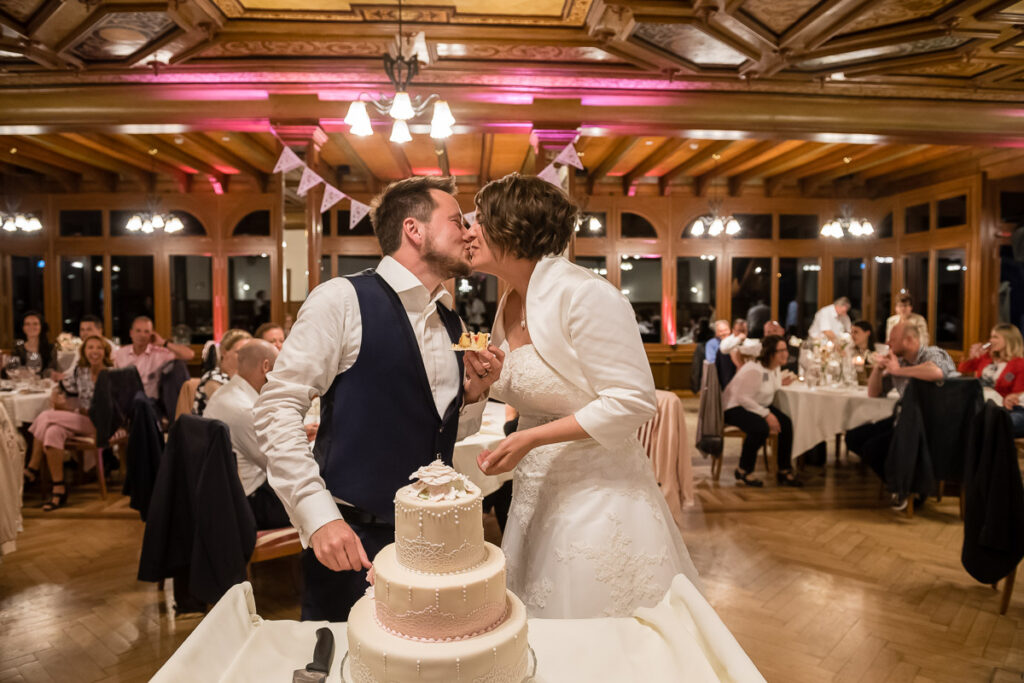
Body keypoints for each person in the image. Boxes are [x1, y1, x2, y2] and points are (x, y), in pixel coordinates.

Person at [253, 175, 498, 622]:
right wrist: (318, 516)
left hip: (433, 540)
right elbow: (276, 409)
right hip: (353, 539)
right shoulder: (341, 300)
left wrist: (475, 396)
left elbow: (442, 430)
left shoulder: (451, 320)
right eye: (457, 221)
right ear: (414, 230)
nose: (469, 233)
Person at [466, 173, 700, 619]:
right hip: (535, 494)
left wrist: (530, 438)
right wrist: (488, 381)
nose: (468, 230)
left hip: (598, 496)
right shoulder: (510, 301)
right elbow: (542, 385)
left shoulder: (586, 295)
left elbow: (632, 400)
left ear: (513, 229)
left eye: (479, 220)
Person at [845, 322, 958, 500]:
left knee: (872, 449)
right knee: (853, 437)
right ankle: (903, 481)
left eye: (893, 339)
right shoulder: (901, 362)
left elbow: (937, 372)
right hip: (906, 420)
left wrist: (899, 370)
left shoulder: (933, 353)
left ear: (909, 340)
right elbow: (874, 393)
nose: (888, 342)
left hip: (932, 425)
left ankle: (911, 491)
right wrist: (878, 368)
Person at [204, 340, 291, 530]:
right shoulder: (244, 409)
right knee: (328, 502)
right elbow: (277, 466)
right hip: (249, 503)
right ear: (266, 366)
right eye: (279, 367)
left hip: (224, 494)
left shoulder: (226, 393)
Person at [23, 336, 112, 511]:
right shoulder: (80, 371)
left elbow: (113, 406)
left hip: (102, 424)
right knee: (52, 432)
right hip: (81, 419)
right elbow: (62, 387)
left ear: (105, 352)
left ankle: (32, 468)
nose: (94, 351)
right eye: (90, 348)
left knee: (46, 417)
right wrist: (57, 396)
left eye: (99, 348)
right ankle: (59, 488)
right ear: (84, 352)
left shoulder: (111, 373)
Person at [722, 335, 802, 488]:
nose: (786, 354)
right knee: (760, 428)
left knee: (786, 423)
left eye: (786, 350)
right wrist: (766, 414)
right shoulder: (754, 370)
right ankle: (744, 469)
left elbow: (768, 388)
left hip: (757, 403)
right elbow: (742, 397)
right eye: (781, 351)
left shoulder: (775, 368)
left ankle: (784, 469)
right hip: (735, 407)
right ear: (770, 353)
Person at [960, 323, 1024, 436]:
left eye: (995, 337)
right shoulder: (987, 357)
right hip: (978, 403)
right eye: (991, 336)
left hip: (1000, 407)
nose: (991, 340)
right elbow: (963, 368)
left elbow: (1017, 394)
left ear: (1009, 340)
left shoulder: (1019, 364)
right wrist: (972, 356)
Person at [112, 316, 195, 399]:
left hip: (148, 404)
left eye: (146, 332)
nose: (142, 335)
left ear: (152, 334)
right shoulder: (120, 353)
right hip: (124, 402)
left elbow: (189, 355)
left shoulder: (158, 353)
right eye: (138, 331)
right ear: (131, 333)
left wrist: (163, 343)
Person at [193, 328, 251, 415]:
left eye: (248, 352)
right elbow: (230, 409)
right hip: (213, 427)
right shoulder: (213, 378)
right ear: (224, 352)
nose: (244, 356)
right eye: (239, 352)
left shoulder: (247, 377)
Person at [9, 311, 53, 378]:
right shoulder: (18, 348)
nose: (31, 327)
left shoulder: (51, 348)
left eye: (35, 324)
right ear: (23, 328)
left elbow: (52, 371)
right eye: (27, 324)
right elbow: (12, 370)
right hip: (23, 385)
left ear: (41, 326)